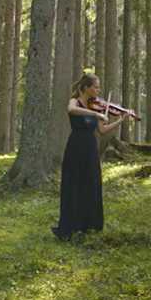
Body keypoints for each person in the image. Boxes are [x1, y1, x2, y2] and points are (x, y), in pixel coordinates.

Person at [53, 73, 122, 239]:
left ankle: (89, 224)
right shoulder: (75, 102)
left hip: (90, 149)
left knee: (91, 183)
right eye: (96, 87)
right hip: (76, 147)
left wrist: (120, 120)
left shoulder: (94, 106)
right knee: (74, 184)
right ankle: (71, 225)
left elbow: (102, 130)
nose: (98, 90)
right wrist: (95, 115)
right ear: (86, 88)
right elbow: (71, 110)